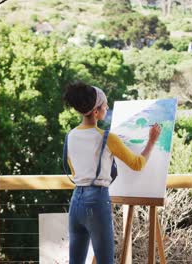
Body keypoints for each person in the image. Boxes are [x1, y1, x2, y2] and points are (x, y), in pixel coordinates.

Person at [62, 81, 161, 263]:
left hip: (76, 201)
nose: (107, 107)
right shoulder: (107, 138)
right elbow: (137, 164)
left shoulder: (71, 136)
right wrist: (152, 141)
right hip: (96, 201)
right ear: (96, 111)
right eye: (105, 105)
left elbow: (74, 168)